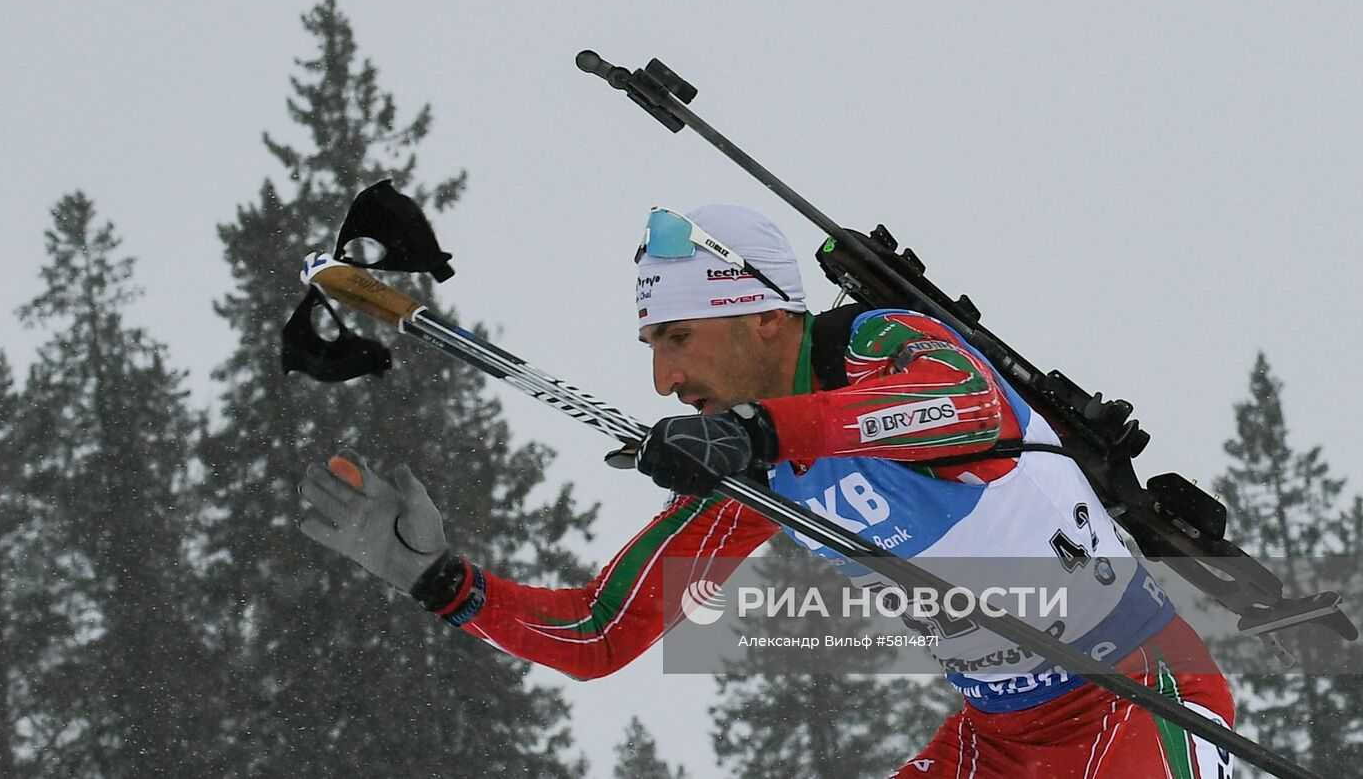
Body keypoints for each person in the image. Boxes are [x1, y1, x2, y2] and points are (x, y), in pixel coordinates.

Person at [299, 204, 1236, 777]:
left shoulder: (882, 344)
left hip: (1136, 697)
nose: (663, 381)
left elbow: (957, 404)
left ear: (756, 316)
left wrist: (756, 433)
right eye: (652, 349)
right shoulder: (751, 472)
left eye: (676, 339)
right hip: (999, 738)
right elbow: (600, 632)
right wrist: (445, 583)